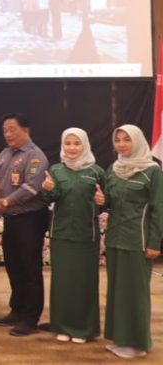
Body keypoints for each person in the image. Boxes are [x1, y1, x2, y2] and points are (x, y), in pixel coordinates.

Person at [41, 127, 105, 344]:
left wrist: (103, 200)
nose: (72, 148)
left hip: (86, 237)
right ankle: (61, 326)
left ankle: (84, 329)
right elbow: (50, 198)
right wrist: (47, 189)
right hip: (61, 235)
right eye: (67, 143)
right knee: (62, 282)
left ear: (85, 145)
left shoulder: (96, 172)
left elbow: (106, 201)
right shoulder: (56, 170)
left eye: (77, 143)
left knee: (84, 283)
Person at [102, 125, 162, 359]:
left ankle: (138, 344)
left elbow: (159, 209)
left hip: (138, 241)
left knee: (135, 293)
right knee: (117, 291)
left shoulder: (152, 171)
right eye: (117, 140)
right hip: (115, 239)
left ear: (137, 141)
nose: (122, 144)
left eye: (127, 139)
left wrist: (155, 242)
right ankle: (120, 338)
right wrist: (101, 199)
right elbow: (108, 203)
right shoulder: (113, 169)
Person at [0, 113, 50, 337]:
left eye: (12, 129)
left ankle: (30, 318)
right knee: (13, 266)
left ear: (26, 130)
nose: (7, 134)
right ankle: (17, 310)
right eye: (5, 130)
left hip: (30, 218)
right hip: (12, 219)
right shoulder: (5, 154)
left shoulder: (35, 156)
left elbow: (32, 187)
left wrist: (7, 201)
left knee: (30, 269)